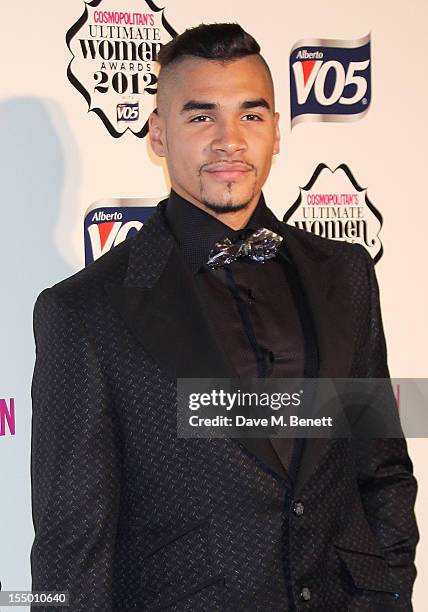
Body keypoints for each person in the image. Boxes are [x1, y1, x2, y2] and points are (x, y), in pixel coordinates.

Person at [30, 23, 418, 612]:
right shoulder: (85, 313)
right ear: (158, 134)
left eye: (251, 115)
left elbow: (381, 468)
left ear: (278, 131)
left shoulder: (346, 275)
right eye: (201, 116)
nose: (229, 141)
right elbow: (71, 550)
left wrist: (388, 595)